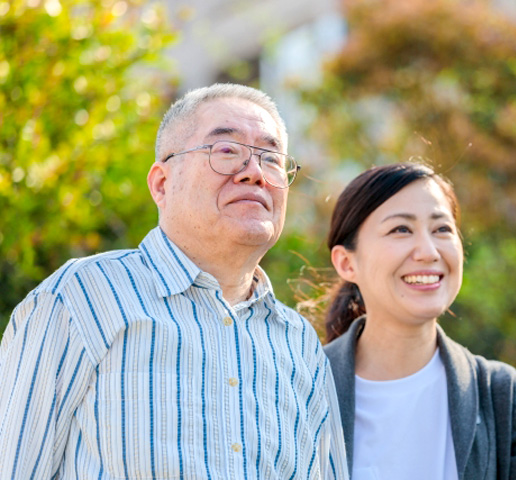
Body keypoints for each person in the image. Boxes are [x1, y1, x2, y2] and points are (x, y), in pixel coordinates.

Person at [0, 83, 348, 479]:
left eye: (270, 159)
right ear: (162, 183)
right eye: (227, 151)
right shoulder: (82, 298)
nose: (254, 173)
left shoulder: (299, 344)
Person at [323, 162, 516, 479]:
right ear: (347, 263)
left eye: (442, 229)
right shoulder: (302, 391)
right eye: (401, 229)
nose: (429, 252)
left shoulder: (502, 397)